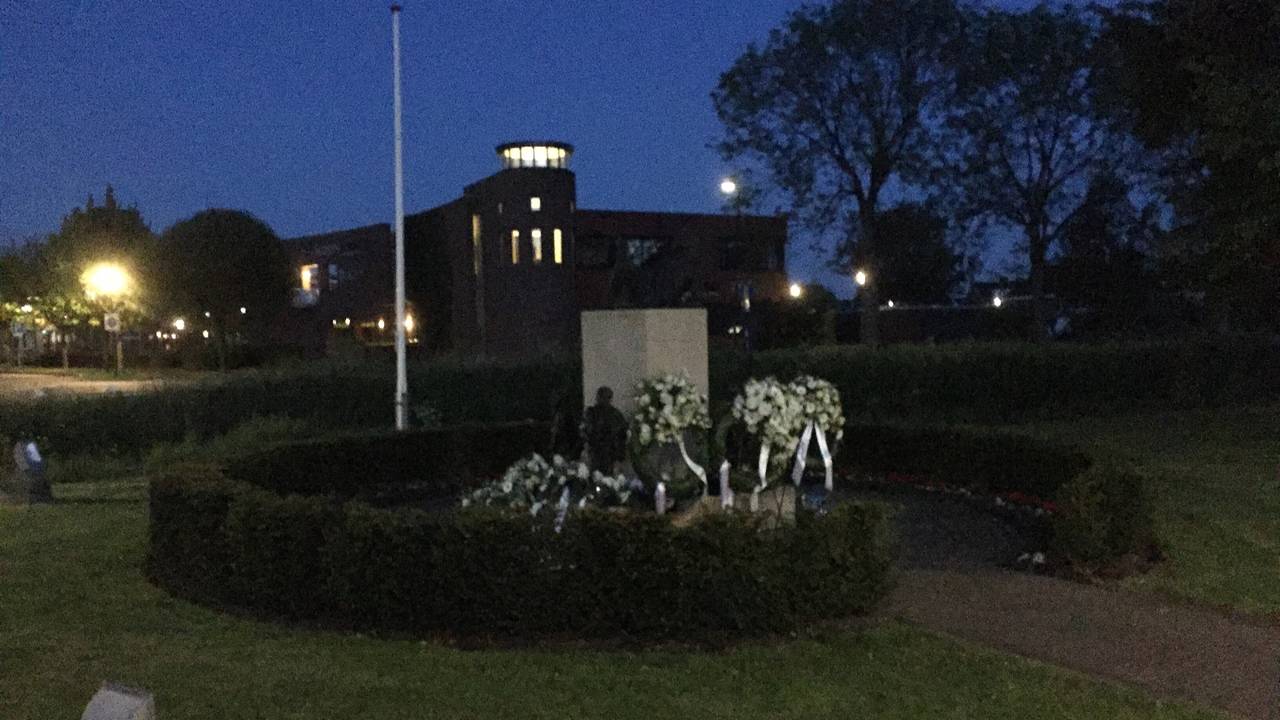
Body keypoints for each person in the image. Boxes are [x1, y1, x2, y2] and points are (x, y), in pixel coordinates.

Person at [581, 386, 628, 474]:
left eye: (607, 398)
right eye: (602, 397)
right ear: (598, 398)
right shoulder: (591, 413)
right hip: (595, 452)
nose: (604, 400)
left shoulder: (616, 415)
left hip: (611, 455)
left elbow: (622, 436)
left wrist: (620, 457)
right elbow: (585, 432)